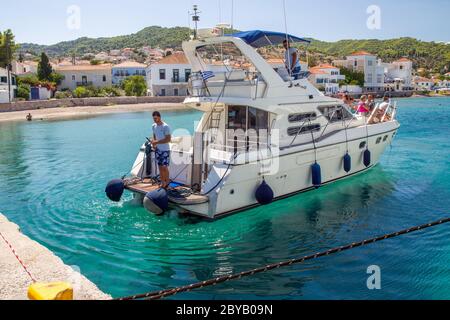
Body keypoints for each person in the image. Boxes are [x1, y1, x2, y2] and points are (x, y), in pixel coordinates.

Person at [151, 111, 172, 189]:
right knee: (160, 166)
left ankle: (167, 183)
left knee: (164, 167)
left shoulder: (165, 126)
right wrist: (154, 143)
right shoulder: (153, 126)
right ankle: (162, 182)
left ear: (159, 117)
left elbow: (168, 139)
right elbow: (154, 136)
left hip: (165, 150)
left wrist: (157, 142)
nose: (155, 120)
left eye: (156, 118)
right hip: (158, 150)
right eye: (153, 119)